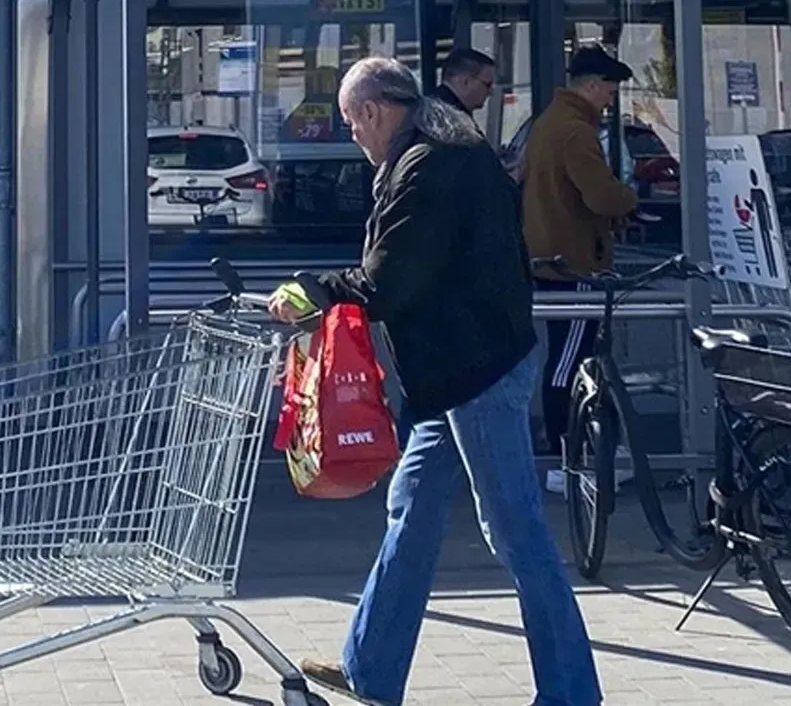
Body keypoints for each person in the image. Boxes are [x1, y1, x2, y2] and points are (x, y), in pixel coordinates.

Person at [269, 57, 601, 706]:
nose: (353, 137)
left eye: (350, 123)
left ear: (371, 111)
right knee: (412, 514)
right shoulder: (441, 146)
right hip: (454, 373)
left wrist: (314, 291)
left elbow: (392, 278)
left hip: (476, 371)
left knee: (516, 531)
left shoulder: (428, 168)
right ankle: (371, 670)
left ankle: (571, 694)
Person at [521, 47, 640, 492]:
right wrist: (630, 198)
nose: (610, 100)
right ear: (591, 86)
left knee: (573, 358)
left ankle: (579, 449)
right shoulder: (575, 132)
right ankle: (563, 455)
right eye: (609, 91)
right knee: (570, 361)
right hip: (572, 266)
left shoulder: (550, 123)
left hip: (553, 258)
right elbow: (602, 197)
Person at [431, 47, 496, 117]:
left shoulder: (432, 107)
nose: (490, 92)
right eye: (488, 85)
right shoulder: (449, 116)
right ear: (466, 82)